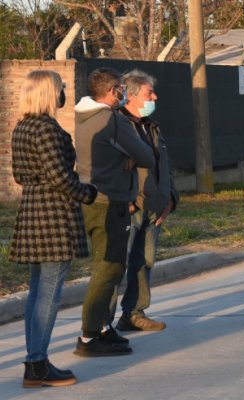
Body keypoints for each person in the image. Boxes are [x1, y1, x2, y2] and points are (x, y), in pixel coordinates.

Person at [9, 70, 98, 387]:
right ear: (49, 93)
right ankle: (36, 364)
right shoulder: (45, 129)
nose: (64, 94)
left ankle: (36, 360)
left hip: (33, 210)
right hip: (53, 216)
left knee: (38, 291)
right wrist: (88, 193)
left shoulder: (23, 127)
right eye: (61, 89)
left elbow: (20, 176)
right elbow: (61, 178)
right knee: (48, 294)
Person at [74, 67, 155, 356]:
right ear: (112, 92)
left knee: (104, 266)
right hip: (111, 202)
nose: (124, 93)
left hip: (90, 199)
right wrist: (131, 156)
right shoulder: (112, 120)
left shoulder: (82, 115)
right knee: (109, 268)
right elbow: (146, 155)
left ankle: (104, 327)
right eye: (122, 88)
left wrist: (126, 156)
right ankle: (89, 336)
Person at [109, 69, 179, 332]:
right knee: (117, 265)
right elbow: (109, 167)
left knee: (144, 262)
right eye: (150, 92)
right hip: (129, 207)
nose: (155, 97)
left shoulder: (151, 127)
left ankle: (134, 313)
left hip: (154, 207)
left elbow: (165, 164)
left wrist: (170, 198)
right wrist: (123, 198)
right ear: (132, 95)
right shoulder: (116, 125)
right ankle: (103, 324)